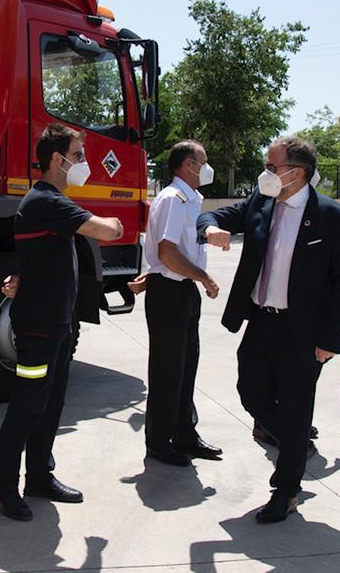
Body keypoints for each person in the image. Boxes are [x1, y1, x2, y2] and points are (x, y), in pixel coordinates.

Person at [198, 136, 340, 523]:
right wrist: (209, 230)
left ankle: (286, 490)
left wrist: (331, 339)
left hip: (304, 331)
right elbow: (213, 216)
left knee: (298, 405)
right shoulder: (261, 203)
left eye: (272, 166)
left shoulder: (332, 217)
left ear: (296, 173)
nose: (265, 173)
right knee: (250, 393)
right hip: (262, 321)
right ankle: (295, 440)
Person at [0, 123, 123, 522]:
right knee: (28, 406)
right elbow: (109, 230)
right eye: (79, 155)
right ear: (56, 159)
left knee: (51, 404)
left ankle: (39, 477)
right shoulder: (45, 201)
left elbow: (37, 260)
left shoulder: (52, 203)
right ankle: (2, 488)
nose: (84, 163)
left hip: (59, 324)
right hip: (37, 328)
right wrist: (114, 222)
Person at [140, 140, 223, 467]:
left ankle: (185, 435)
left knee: (186, 367)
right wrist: (204, 277)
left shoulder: (189, 200)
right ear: (188, 165)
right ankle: (159, 442)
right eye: (204, 161)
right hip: (170, 293)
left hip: (183, 291)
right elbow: (167, 254)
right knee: (167, 372)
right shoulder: (173, 200)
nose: (207, 167)